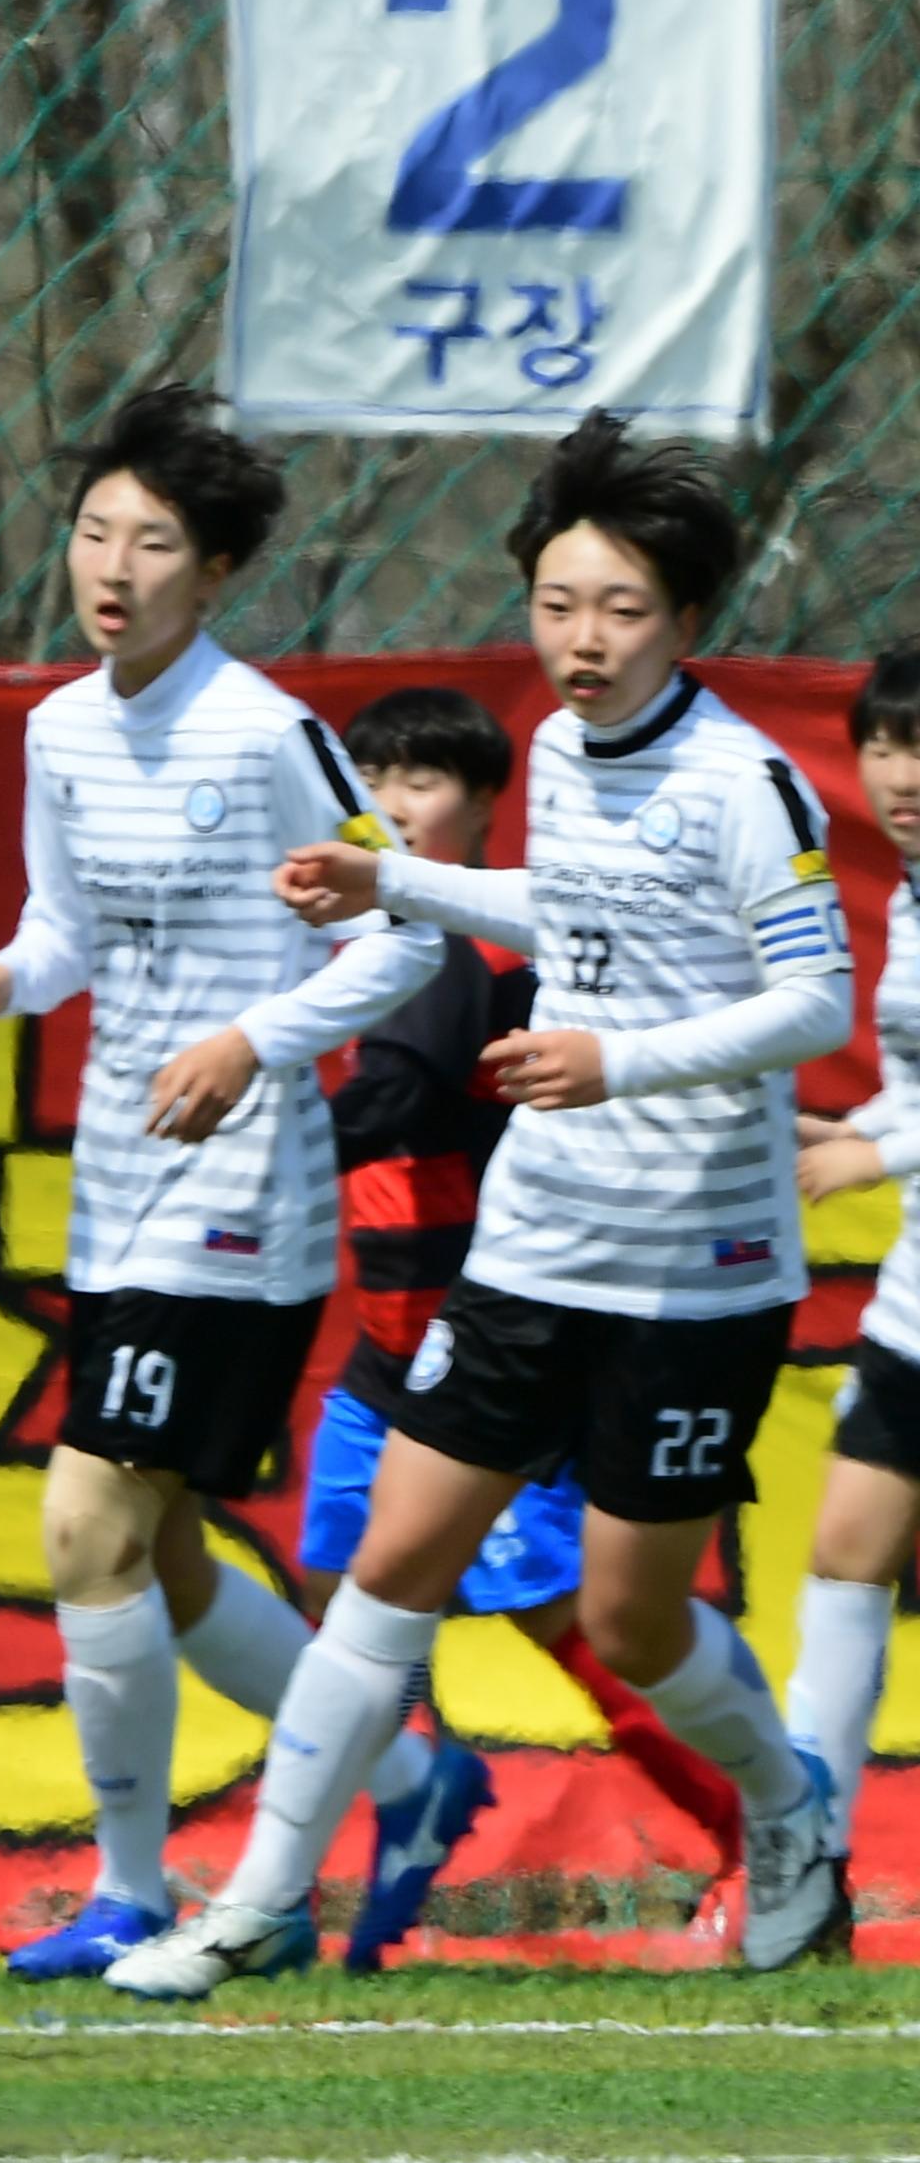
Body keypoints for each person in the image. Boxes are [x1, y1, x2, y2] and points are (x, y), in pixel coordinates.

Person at [114, 416, 857, 1995]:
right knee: (392, 1569)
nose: (583, 642)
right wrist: (401, 884)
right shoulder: (574, 755)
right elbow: (570, 906)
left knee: (635, 1623)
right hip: (531, 1248)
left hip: (699, 1271)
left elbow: (812, 1006)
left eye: (623, 612)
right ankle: (253, 1903)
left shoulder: (748, 783)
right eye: (559, 605)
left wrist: (620, 1060)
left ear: (688, 623)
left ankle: (791, 1809)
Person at [0, 396, 441, 1983]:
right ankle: (415, 1779)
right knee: (161, 1552)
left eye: (153, 543)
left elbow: (400, 931)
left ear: (213, 573)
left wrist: (250, 1041)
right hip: (114, 1178)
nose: (113, 566)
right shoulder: (59, 730)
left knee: (86, 1517)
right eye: (95, 531)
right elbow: (66, 924)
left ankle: (131, 1891)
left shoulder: (266, 734)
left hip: (243, 1190)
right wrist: (3, 978)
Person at [299, 686, 743, 1961]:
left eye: (423, 782)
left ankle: (746, 1825)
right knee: (341, 1590)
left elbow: (401, 1096)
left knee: (574, 1623)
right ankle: (420, 1785)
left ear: (486, 806)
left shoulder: (471, 951)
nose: (393, 801)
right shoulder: (374, 942)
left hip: (485, 1357)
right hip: (383, 1352)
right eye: (372, 777)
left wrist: (259, 1122)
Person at [776, 645, 920, 1894]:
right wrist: (854, 1125)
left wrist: (875, 1151)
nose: (903, 772)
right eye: (882, 744)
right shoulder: (914, 897)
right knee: (844, 1553)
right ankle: (809, 1858)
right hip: (917, 1307)